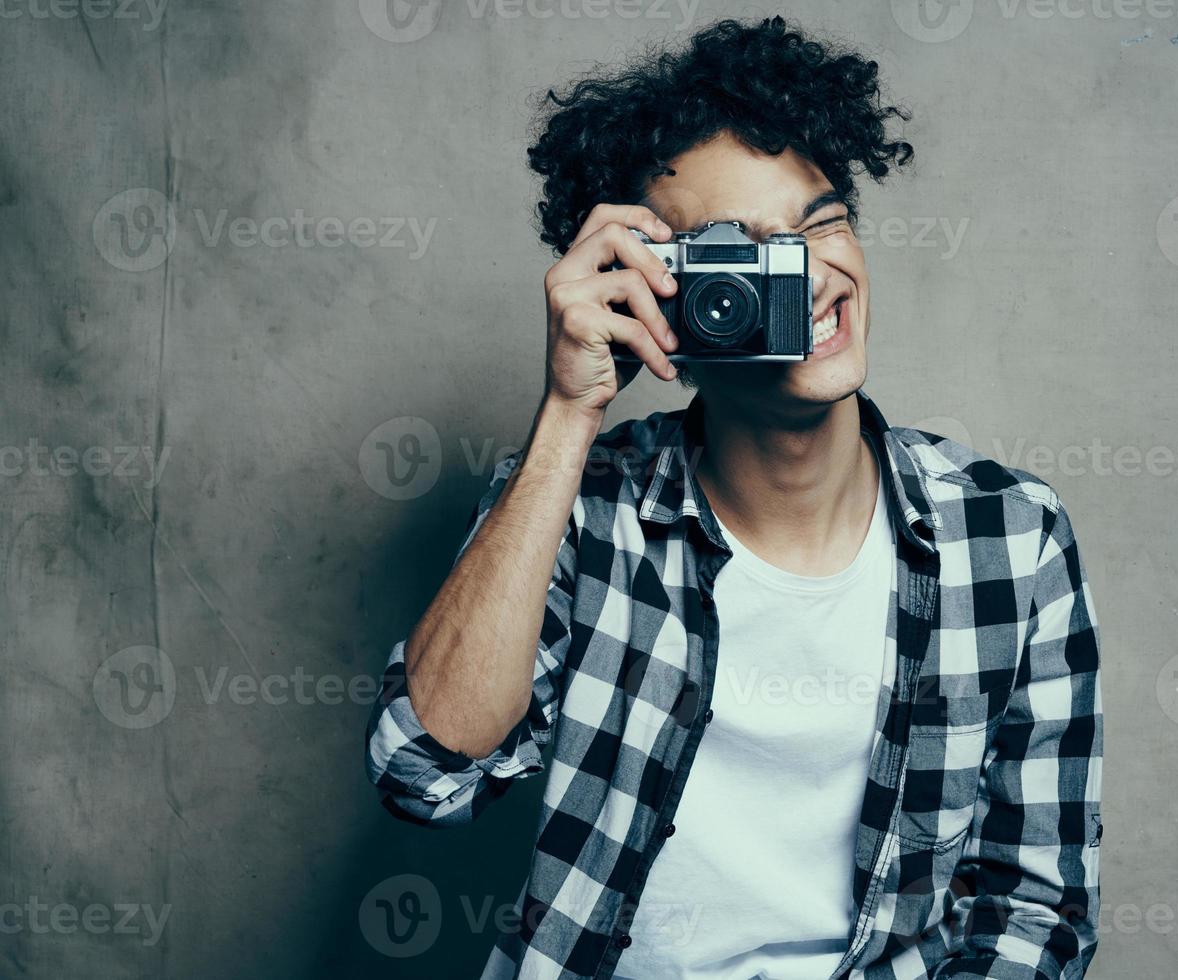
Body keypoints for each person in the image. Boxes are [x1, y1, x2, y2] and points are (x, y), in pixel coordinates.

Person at [365, 17, 1103, 979]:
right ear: (653, 290)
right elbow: (424, 776)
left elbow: (1035, 905)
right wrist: (567, 411)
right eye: (742, 249)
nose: (811, 276)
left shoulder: (1009, 536)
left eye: (822, 224)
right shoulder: (577, 510)